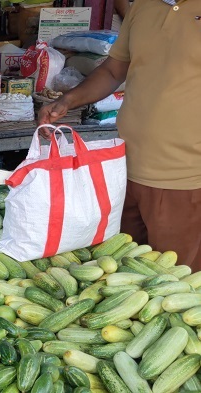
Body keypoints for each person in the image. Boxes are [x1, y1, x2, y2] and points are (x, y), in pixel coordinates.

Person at [38, 0, 201, 269]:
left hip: (184, 180)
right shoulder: (143, 6)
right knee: (121, 280)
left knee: (173, 288)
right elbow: (114, 70)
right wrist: (68, 101)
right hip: (123, 170)